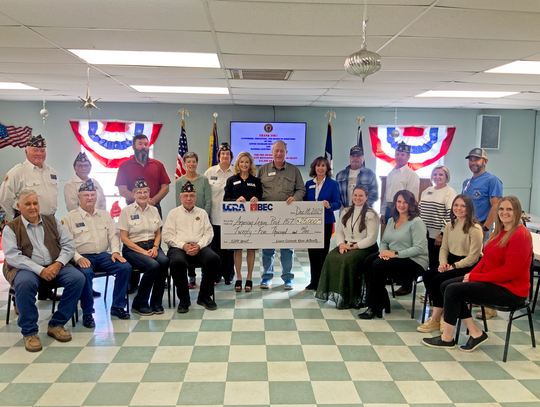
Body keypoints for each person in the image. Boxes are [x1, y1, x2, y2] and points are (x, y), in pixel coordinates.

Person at [422, 196, 532, 352]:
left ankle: (447, 338)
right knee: (446, 285)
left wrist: (475, 277)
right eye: (501, 209)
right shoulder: (498, 231)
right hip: (494, 283)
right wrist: (470, 276)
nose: (504, 212)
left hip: (511, 290)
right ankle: (475, 332)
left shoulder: (520, 235)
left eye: (509, 209)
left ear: (518, 212)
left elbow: (509, 272)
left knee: (453, 290)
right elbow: (485, 259)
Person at [2, 190, 85, 352]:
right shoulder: (11, 228)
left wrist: (58, 264)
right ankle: (30, 332)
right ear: (19, 206)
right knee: (24, 283)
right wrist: (40, 270)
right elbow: (13, 256)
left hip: (55, 265)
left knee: (77, 278)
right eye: (28, 204)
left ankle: (57, 324)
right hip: (26, 268)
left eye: (35, 203)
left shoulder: (52, 221)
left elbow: (68, 245)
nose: (33, 207)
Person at [0, 135, 61, 302]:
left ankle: (45, 292)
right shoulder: (17, 172)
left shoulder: (51, 172)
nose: (39, 153)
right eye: (35, 150)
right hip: (25, 223)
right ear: (26, 151)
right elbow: (5, 199)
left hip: (48, 222)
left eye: (42, 150)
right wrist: (17, 220)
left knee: (48, 256)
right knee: (22, 262)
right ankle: (17, 300)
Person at [62, 180, 132, 327]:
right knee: (85, 274)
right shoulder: (70, 218)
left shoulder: (105, 215)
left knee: (125, 268)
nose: (90, 198)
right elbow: (66, 244)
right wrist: (78, 258)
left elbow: (113, 235)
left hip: (102, 255)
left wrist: (115, 252)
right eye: (86, 195)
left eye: (92, 194)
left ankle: (118, 306)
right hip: (82, 256)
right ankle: (88, 313)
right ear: (79, 197)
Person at [417, 194, 483, 333]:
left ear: (469, 208)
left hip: (468, 265)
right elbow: (444, 248)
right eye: (456, 205)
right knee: (428, 275)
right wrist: (443, 263)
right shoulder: (449, 225)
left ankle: (435, 317)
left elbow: (473, 257)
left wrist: (453, 266)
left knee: (439, 279)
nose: (458, 208)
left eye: (463, 206)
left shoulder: (475, 228)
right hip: (451, 261)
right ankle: (440, 313)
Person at [359, 190, 428, 319]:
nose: (401, 205)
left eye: (405, 202)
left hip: (415, 261)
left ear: (411, 204)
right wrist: (383, 253)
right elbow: (384, 241)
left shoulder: (416, 222)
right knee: (369, 261)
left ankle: (374, 306)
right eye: (399, 201)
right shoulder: (392, 220)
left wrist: (394, 254)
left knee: (378, 265)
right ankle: (381, 300)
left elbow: (418, 248)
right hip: (393, 256)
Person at [115, 133, 170, 293]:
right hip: (132, 210)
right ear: (134, 146)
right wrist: (139, 199)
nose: (143, 147)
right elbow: (122, 189)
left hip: (154, 208)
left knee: (154, 241)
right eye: (140, 144)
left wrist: (150, 201)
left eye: (146, 144)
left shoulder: (157, 165)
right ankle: (133, 282)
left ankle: (159, 277)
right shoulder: (125, 165)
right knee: (135, 240)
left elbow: (165, 186)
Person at [315, 186, 379, 309]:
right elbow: (339, 231)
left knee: (347, 260)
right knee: (330, 257)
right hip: (346, 244)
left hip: (364, 248)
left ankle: (350, 297)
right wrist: (341, 245)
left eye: (361, 195)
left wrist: (353, 247)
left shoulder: (371, 214)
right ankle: (336, 293)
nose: (357, 198)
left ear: (366, 197)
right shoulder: (346, 211)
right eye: (355, 195)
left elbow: (371, 238)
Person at [257, 140, 306, 290]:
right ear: (272, 153)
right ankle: (267, 277)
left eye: (282, 151)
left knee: (287, 248)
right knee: (267, 248)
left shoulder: (294, 170)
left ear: (286, 153)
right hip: (267, 215)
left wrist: (296, 198)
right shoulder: (263, 170)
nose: (279, 153)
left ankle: (287, 278)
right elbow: (257, 191)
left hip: (287, 215)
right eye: (276, 151)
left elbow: (301, 190)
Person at [163, 181, 219, 312]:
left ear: (196, 197)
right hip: (179, 247)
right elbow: (167, 235)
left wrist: (199, 246)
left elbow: (209, 233)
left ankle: (204, 296)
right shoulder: (173, 214)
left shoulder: (202, 213)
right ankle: (184, 300)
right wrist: (184, 246)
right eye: (186, 195)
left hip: (200, 246)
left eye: (192, 195)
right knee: (177, 262)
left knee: (214, 259)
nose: (189, 198)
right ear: (180, 197)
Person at [118, 178, 169, 316]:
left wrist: (155, 247)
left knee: (164, 261)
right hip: (133, 249)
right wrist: (143, 252)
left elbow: (158, 233)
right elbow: (124, 238)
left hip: (152, 245)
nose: (142, 195)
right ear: (134, 194)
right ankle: (139, 302)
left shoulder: (154, 210)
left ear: (149, 193)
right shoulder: (126, 211)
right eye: (139, 192)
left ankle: (156, 302)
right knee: (153, 266)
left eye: (145, 192)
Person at [462, 148, 503, 319]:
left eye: (477, 160)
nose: (473, 162)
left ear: (485, 162)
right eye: (471, 159)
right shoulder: (467, 182)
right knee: (471, 264)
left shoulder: (492, 180)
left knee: (484, 266)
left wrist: (485, 229)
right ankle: (475, 297)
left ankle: (489, 307)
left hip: (481, 229)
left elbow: (496, 206)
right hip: (466, 229)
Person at [380, 142, 420, 296]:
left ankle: (406, 283)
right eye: (397, 154)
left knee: (404, 243)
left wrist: (408, 214)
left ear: (408, 156)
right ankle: (393, 275)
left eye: (403, 154)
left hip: (404, 210)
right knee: (391, 241)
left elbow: (412, 198)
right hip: (391, 208)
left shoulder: (411, 175)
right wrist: (383, 211)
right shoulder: (391, 172)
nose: (400, 157)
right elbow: (386, 195)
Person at [224, 151, 263, 292]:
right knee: (238, 248)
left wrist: (257, 199)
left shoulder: (256, 181)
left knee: (251, 248)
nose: (244, 165)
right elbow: (225, 199)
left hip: (252, 220)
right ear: (238, 164)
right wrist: (235, 200)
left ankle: (250, 277)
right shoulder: (231, 180)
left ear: (250, 164)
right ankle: (239, 277)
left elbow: (261, 198)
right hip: (236, 220)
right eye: (242, 162)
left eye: (247, 162)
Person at [176, 151, 212, 289]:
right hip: (185, 219)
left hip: (202, 219)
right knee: (188, 244)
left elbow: (208, 200)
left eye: (194, 161)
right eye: (189, 162)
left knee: (203, 246)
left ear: (197, 163)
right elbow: (178, 202)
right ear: (184, 164)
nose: (191, 164)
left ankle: (206, 275)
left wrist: (204, 217)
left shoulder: (203, 179)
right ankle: (191, 276)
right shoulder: (179, 181)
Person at [304, 156, 341, 290]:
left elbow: (337, 203)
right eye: (318, 165)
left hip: (326, 222)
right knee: (312, 253)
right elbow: (303, 202)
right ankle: (313, 281)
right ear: (314, 167)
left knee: (322, 253)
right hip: (310, 223)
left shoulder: (333, 184)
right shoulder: (308, 184)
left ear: (327, 168)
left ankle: (322, 282)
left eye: (323, 165)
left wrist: (329, 205)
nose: (320, 168)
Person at [204, 142, 235, 285]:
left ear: (231, 156)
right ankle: (216, 275)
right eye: (222, 154)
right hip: (215, 215)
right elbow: (205, 193)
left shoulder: (236, 172)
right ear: (218, 156)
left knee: (229, 248)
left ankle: (228, 274)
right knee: (215, 247)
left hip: (232, 217)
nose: (225, 156)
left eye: (227, 154)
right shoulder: (210, 172)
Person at [419, 165, 456, 274]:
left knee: (435, 265)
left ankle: (432, 290)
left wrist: (442, 234)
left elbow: (451, 214)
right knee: (425, 262)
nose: (437, 177)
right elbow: (419, 209)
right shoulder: (427, 190)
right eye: (435, 174)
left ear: (446, 177)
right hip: (423, 234)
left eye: (441, 174)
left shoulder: (449, 191)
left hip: (437, 237)